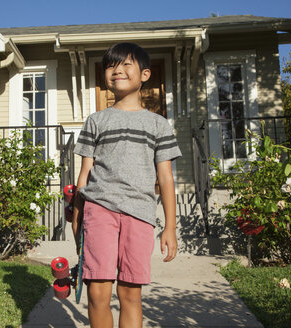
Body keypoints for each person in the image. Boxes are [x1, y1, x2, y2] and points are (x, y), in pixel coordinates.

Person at [72, 42, 182, 328]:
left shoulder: (159, 125)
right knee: (97, 291)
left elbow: (166, 177)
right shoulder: (95, 121)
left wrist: (169, 226)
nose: (117, 70)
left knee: (130, 293)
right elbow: (85, 171)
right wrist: (76, 211)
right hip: (99, 209)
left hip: (140, 214)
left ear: (145, 74)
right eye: (110, 65)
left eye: (125, 64)